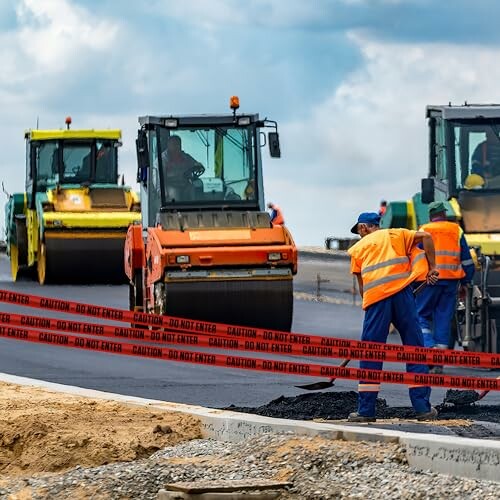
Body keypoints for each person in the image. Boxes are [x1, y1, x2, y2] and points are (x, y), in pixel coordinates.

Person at [347, 212, 439, 422]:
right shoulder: (397, 234)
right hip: (403, 296)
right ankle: (423, 408)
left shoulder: (358, 249)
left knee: (371, 353)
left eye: (359, 231)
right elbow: (426, 237)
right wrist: (433, 267)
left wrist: (373, 310)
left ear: (363, 228)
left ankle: (366, 411)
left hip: (377, 300)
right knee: (414, 349)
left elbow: (362, 288)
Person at [414, 201, 475, 374]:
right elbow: (467, 260)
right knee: (443, 318)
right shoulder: (456, 230)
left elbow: (416, 257)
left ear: (431, 216)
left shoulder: (423, 229)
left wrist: (414, 282)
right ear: (444, 214)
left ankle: (429, 348)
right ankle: (438, 361)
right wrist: (466, 281)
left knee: (420, 315)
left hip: (428, 281)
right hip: (451, 282)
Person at [162, 135, 205, 200]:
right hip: (170, 186)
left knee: (197, 185)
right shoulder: (163, 159)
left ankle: (197, 207)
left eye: (178, 144)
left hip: (185, 184)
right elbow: (157, 179)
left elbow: (195, 164)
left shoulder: (185, 157)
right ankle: (175, 209)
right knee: (175, 192)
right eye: (174, 144)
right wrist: (161, 192)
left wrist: (198, 166)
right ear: (169, 145)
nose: (177, 146)